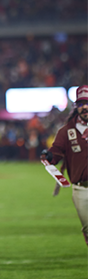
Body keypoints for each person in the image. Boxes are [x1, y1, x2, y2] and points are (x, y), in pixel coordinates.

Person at [41, 85, 88, 247]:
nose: (85, 107)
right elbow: (56, 153)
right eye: (81, 103)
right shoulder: (67, 131)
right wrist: (49, 156)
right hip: (81, 188)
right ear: (76, 106)